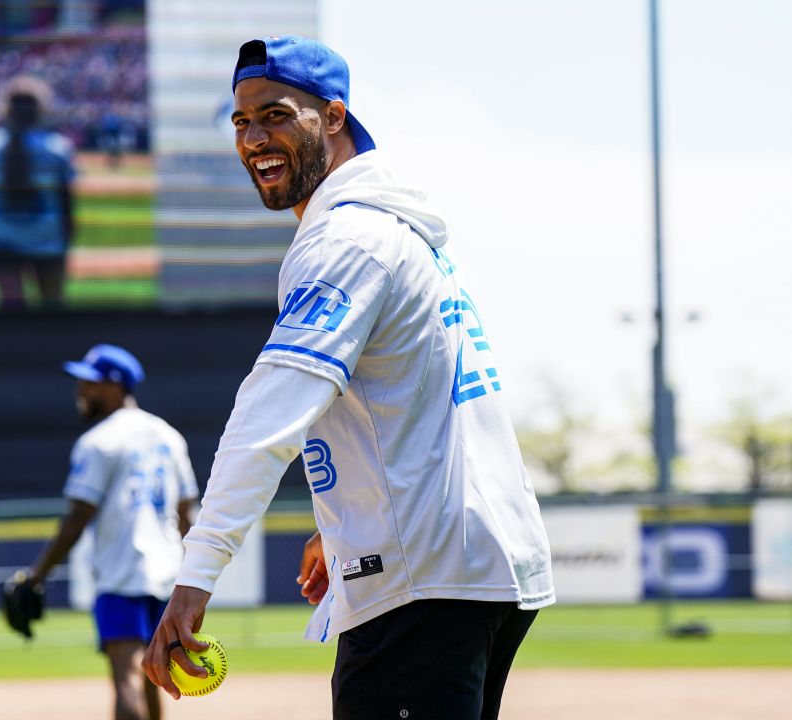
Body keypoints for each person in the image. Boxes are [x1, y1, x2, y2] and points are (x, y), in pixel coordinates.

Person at [141, 36, 556, 719]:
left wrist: (194, 578)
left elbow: (264, 420)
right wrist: (346, 522)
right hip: (473, 566)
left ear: (333, 118)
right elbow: (412, 408)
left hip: (424, 582)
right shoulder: (391, 232)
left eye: (275, 115)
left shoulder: (347, 243)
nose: (253, 137)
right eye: (241, 121)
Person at [22, 344, 198, 720]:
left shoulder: (98, 442)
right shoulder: (169, 436)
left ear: (115, 386)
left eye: (89, 383)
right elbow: (188, 515)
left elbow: (77, 518)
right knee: (155, 676)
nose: (79, 391)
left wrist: (37, 576)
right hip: (168, 577)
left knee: (126, 678)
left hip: (121, 575)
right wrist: (196, 576)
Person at [0, 75, 76, 311]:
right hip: (47, 240)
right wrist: (67, 244)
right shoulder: (58, 148)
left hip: (2, 241)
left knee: (11, 312)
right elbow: (67, 205)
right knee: (53, 311)